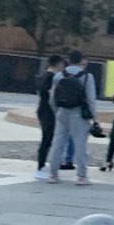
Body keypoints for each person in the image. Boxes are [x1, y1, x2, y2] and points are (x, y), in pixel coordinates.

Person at [41, 48, 99, 185]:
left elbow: (52, 98)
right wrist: (95, 118)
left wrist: (57, 112)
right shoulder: (87, 76)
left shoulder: (59, 75)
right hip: (78, 113)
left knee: (58, 144)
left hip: (62, 112)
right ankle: (81, 176)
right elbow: (91, 99)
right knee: (80, 146)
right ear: (81, 61)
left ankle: (53, 174)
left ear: (69, 60)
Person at [33, 54, 64, 180]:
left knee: (47, 139)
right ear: (57, 64)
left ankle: (42, 165)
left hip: (43, 109)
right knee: (47, 139)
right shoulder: (52, 77)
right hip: (48, 111)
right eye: (62, 64)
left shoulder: (42, 75)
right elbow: (51, 93)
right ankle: (41, 166)